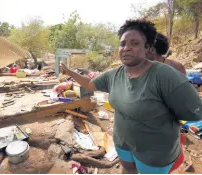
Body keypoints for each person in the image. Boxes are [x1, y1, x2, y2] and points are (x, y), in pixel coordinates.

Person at [60, 19, 202, 174]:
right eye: (123, 44)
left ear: (147, 47)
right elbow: (89, 84)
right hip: (123, 143)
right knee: (128, 170)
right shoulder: (115, 74)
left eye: (134, 43)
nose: (126, 48)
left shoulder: (165, 75)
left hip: (154, 153)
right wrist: (69, 72)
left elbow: (193, 111)